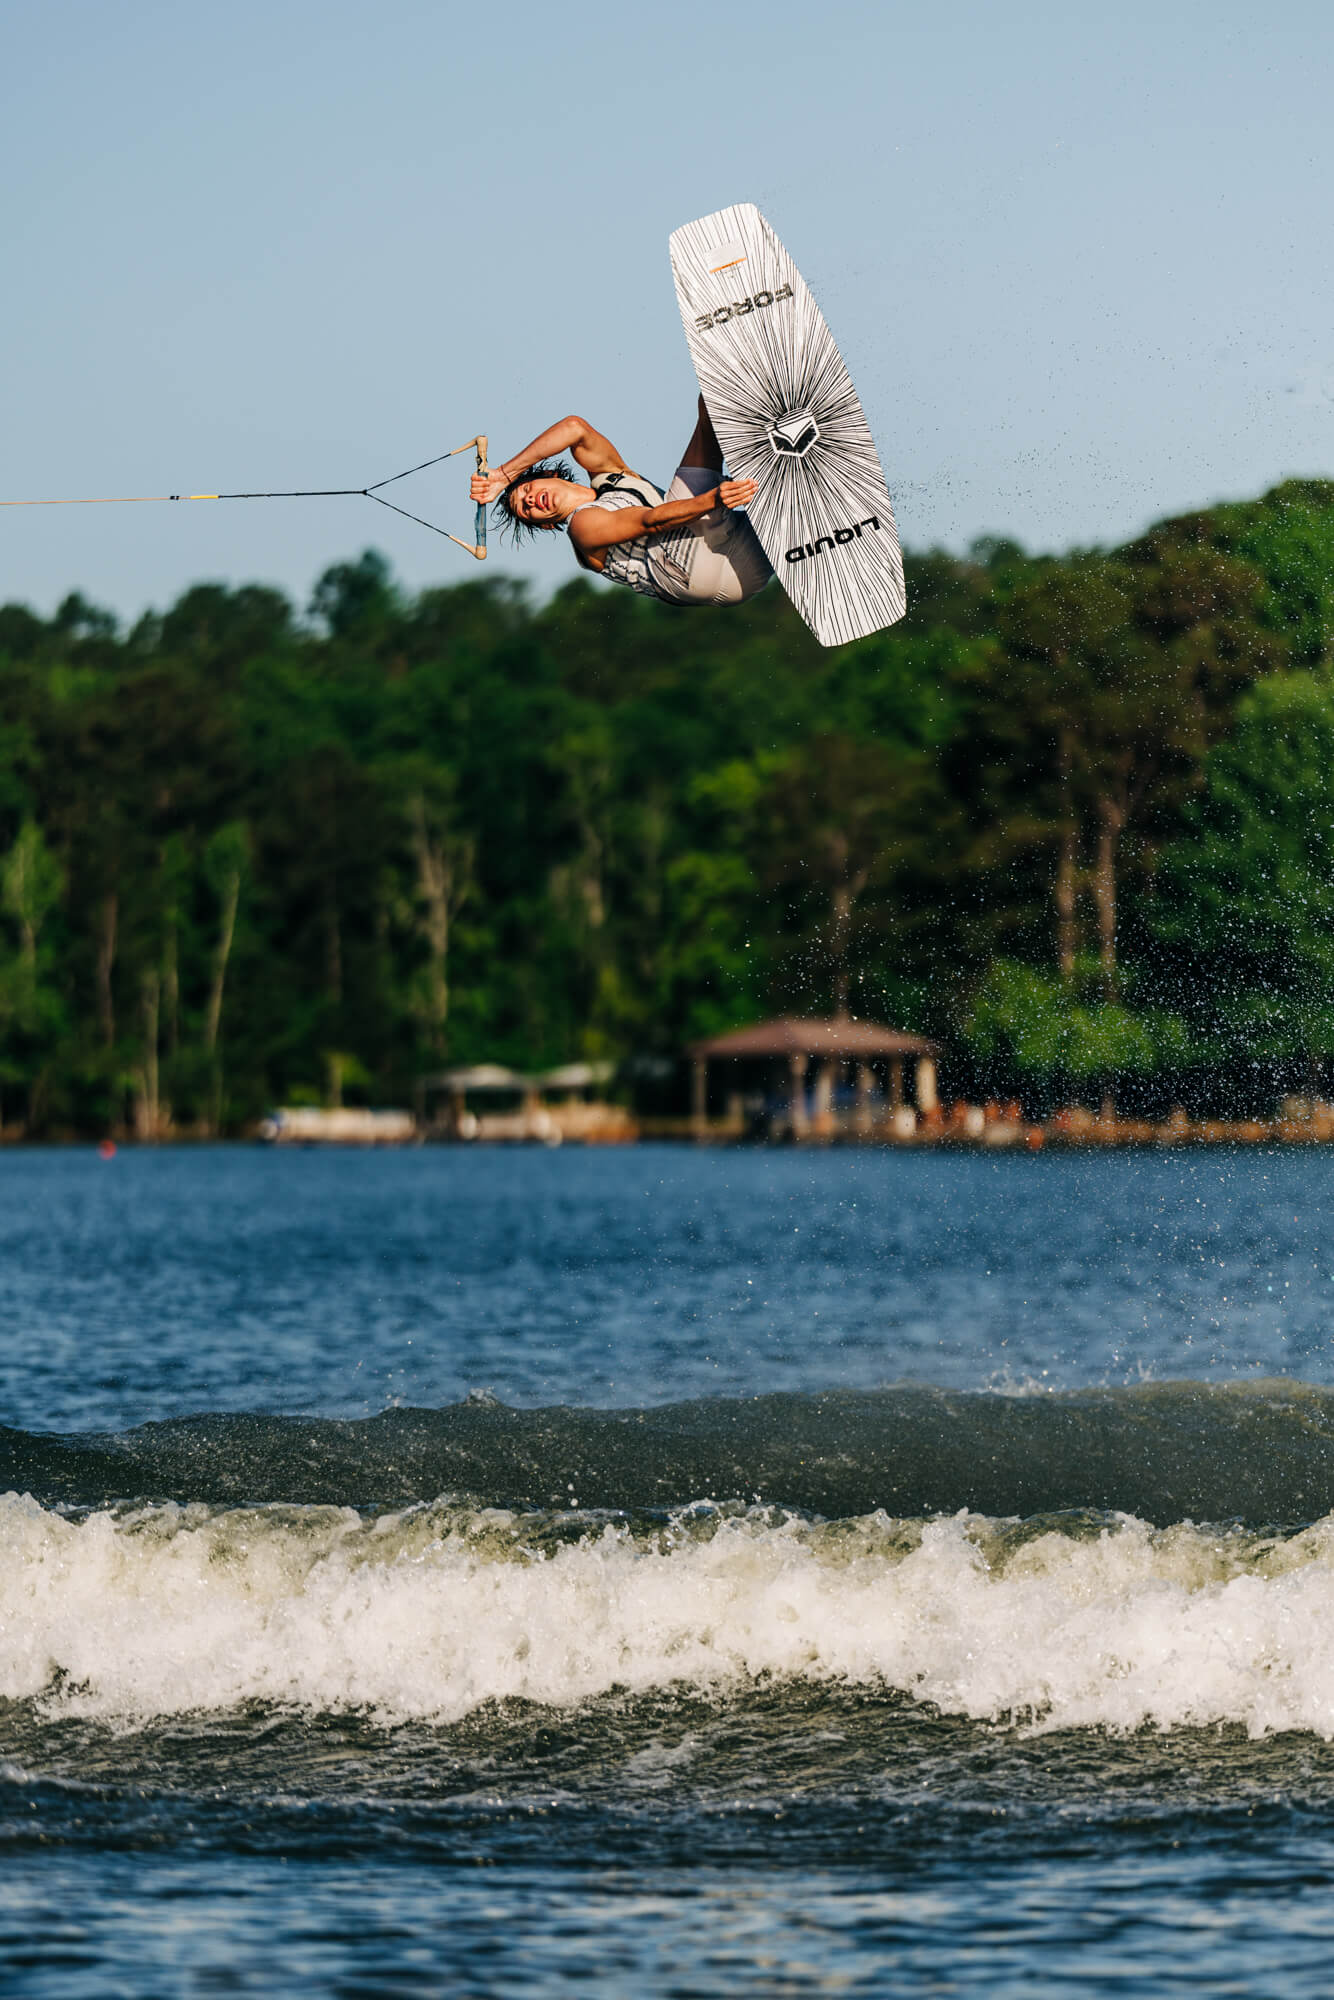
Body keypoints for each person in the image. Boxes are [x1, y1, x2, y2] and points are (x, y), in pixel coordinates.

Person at [469, 400, 772, 608]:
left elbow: (575, 428)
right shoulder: (582, 527)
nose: (531, 500)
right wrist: (714, 499)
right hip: (687, 571)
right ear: (546, 523)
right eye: (527, 509)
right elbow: (651, 521)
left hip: (744, 572)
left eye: (528, 490)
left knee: (714, 406)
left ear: (549, 474)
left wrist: (505, 475)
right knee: (709, 420)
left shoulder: (613, 476)